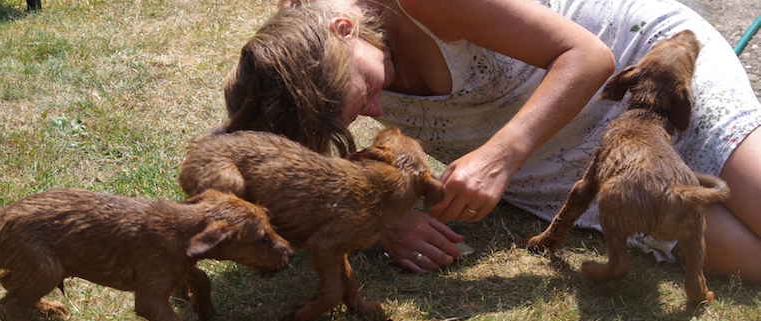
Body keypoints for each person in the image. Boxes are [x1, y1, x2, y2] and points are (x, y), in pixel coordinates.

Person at [220, 0, 761, 282]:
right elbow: (273, 158)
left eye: (366, 91)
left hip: (632, 73)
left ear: (344, 28)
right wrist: (383, 218)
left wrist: (501, 156)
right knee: (749, 259)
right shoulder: (289, 55)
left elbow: (588, 58)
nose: (379, 112)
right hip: (549, 165)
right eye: (360, 114)